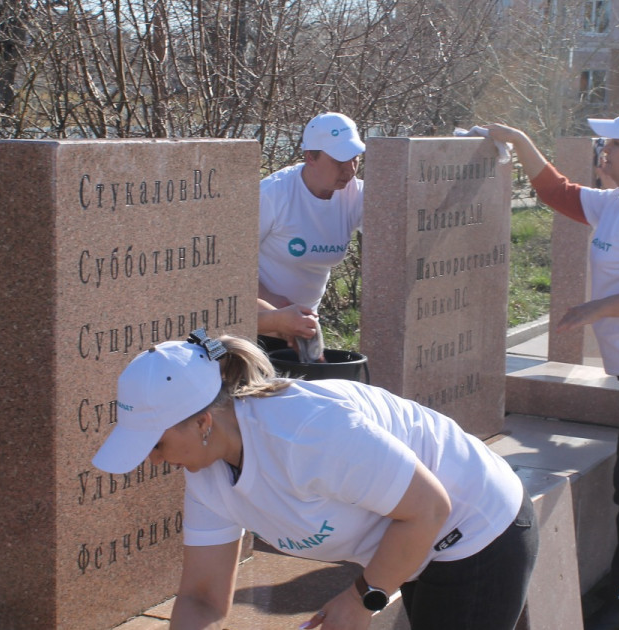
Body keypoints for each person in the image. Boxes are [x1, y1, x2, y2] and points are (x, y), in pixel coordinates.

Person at [91, 330, 537, 630]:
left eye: (156, 444)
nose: (152, 460)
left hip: (477, 528)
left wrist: (361, 598)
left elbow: (429, 509)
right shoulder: (206, 474)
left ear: (203, 422)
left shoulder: (307, 432)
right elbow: (202, 597)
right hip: (416, 543)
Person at [486, 107, 619, 630]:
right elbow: (557, 192)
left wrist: (595, 309)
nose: (605, 149)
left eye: (616, 144)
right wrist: (520, 140)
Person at [257, 112, 364, 351]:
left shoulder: (355, 195)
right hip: (258, 322)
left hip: (304, 325)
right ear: (310, 157)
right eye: (339, 161)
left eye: (355, 159)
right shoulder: (273, 195)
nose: (350, 170)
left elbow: (394, 228)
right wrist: (276, 308)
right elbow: (230, 268)